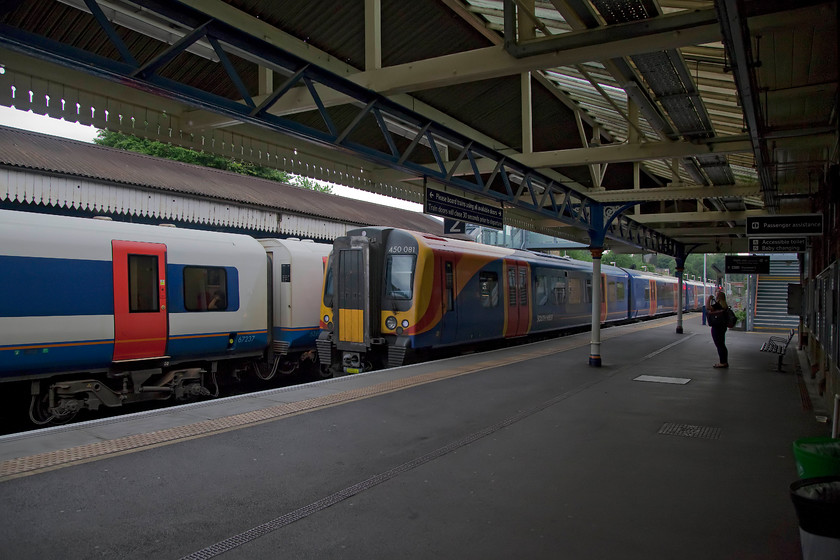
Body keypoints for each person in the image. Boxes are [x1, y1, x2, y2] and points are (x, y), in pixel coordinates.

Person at [706, 290, 729, 368]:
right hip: (723, 327)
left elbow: (708, 307)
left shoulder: (717, 305)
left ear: (718, 298)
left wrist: (709, 298)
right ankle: (724, 361)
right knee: (722, 344)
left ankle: (723, 362)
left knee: (719, 345)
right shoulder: (725, 306)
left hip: (717, 327)